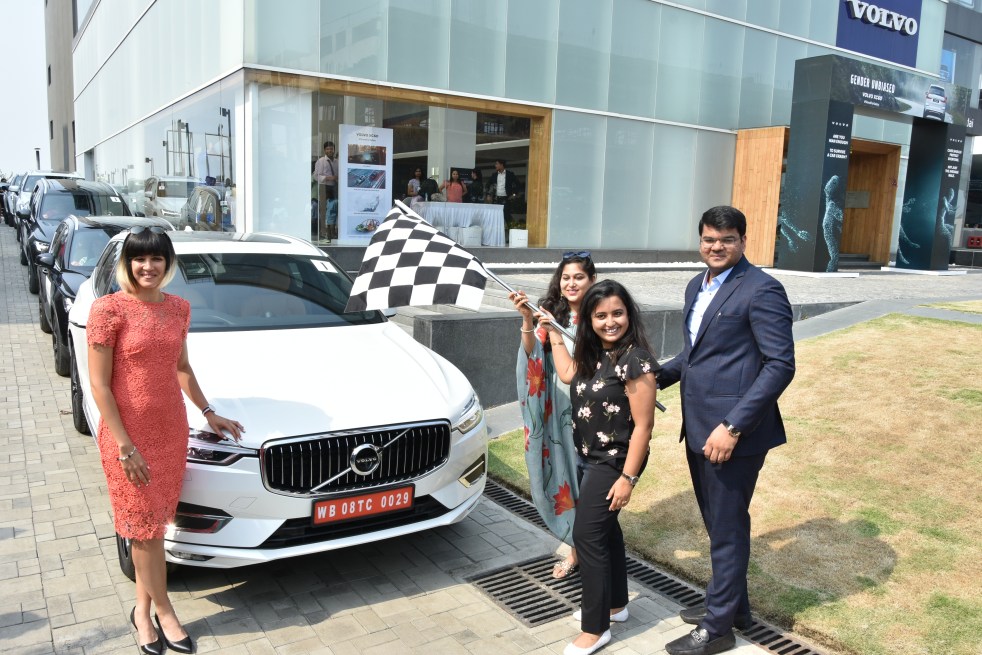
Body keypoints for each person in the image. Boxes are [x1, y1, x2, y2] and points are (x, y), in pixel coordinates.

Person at [88, 226, 244, 655]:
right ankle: (165, 611)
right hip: (127, 436)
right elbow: (99, 386)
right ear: (127, 264)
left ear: (168, 263)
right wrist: (124, 445)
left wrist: (209, 413)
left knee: (153, 527)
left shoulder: (178, 309)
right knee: (143, 529)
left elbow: (182, 369)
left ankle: (141, 611)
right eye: (139, 259)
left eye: (156, 258)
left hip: (170, 431)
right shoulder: (108, 310)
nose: (147, 267)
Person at [658, 206, 795, 655]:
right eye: (709, 239)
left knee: (729, 526)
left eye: (727, 239)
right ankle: (733, 609)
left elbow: (779, 366)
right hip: (696, 428)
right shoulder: (697, 285)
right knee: (720, 526)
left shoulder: (762, 289)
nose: (716, 247)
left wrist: (733, 426)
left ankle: (717, 630)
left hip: (732, 435)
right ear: (700, 241)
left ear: (743, 240)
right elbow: (694, 355)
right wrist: (650, 377)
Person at [540, 280, 658, 655]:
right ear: (589, 320)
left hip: (615, 462)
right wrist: (553, 334)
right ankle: (617, 605)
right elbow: (568, 375)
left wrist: (628, 478)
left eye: (617, 313)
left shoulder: (634, 360)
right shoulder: (593, 354)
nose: (610, 322)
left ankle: (596, 628)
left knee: (588, 538)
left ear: (629, 314)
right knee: (606, 533)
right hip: (589, 457)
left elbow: (644, 426)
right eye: (601, 315)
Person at [509, 251, 597, 580]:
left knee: (591, 488)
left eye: (579, 277)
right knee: (566, 480)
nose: (571, 283)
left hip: (592, 414)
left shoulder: (602, 315)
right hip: (558, 411)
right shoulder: (550, 315)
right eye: (566, 277)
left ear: (592, 281)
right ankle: (576, 550)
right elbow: (531, 357)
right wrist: (528, 321)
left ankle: (594, 552)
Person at [313, 141, 338, 242]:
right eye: (327, 149)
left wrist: (337, 178)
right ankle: (325, 233)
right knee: (325, 210)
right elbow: (316, 176)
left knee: (335, 209)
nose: (330, 150)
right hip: (325, 188)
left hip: (336, 188)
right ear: (324, 150)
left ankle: (334, 231)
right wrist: (328, 178)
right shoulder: (321, 161)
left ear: (334, 149)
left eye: (331, 149)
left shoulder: (337, 161)